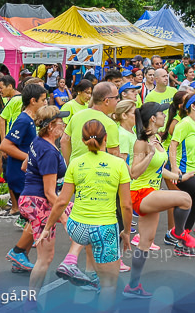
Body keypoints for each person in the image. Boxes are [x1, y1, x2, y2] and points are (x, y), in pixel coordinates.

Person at [38, 119, 132, 310]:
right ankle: (96, 279)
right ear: (106, 138)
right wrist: (127, 233)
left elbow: (62, 201)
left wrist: (47, 228)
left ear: (82, 140)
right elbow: (126, 205)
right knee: (109, 285)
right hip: (104, 229)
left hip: (78, 230)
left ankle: (85, 271)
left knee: (90, 244)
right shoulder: (118, 164)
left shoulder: (75, 163)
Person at [123, 102, 192, 298]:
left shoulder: (156, 139)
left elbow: (159, 169)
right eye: (161, 113)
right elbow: (134, 173)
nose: (165, 116)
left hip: (152, 191)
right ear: (153, 118)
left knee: (146, 242)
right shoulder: (142, 143)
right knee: (185, 199)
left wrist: (179, 177)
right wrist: (150, 153)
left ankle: (133, 286)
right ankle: (179, 234)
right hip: (139, 193)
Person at [18, 105, 70, 294]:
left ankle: (76, 261)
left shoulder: (38, 141)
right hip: (39, 203)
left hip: (30, 199)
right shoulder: (49, 151)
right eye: (60, 122)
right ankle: (31, 301)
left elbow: (25, 167)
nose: (64, 125)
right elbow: (49, 193)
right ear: (50, 127)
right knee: (45, 258)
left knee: (79, 211)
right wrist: (64, 219)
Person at [2, 82, 49, 273]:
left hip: (27, 174)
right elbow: (5, 146)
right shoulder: (23, 120)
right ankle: (18, 252)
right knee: (38, 215)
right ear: (33, 101)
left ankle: (21, 259)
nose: (46, 103)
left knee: (36, 216)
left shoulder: (32, 120)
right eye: (43, 100)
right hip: (19, 174)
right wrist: (30, 158)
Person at [167, 92, 195, 255]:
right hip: (184, 173)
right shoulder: (184, 124)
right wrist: (174, 167)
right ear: (192, 106)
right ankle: (191, 230)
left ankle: (181, 244)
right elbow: (173, 145)